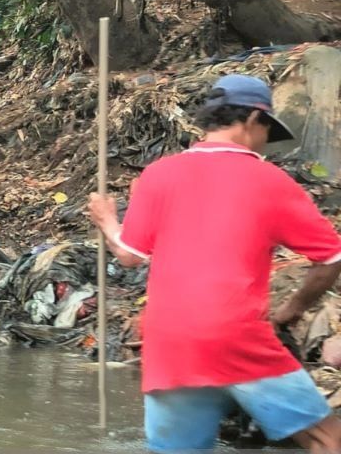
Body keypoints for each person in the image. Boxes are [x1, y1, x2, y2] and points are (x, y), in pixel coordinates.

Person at [88, 74, 341, 452]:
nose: (265, 142)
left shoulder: (158, 174)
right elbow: (332, 258)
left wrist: (108, 221)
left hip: (168, 344)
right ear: (254, 119)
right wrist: (292, 309)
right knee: (326, 439)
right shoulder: (270, 180)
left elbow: (129, 256)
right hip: (235, 335)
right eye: (267, 130)